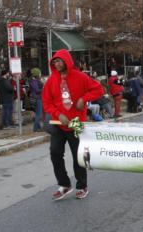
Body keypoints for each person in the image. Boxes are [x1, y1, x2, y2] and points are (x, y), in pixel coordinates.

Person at [42, 49, 104, 201]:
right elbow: (47, 102)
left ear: (66, 61)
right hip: (59, 123)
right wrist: (58, 114)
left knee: (78, 156)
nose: (56, 64)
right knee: (55, 153)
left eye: (59, 61)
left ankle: (82, 186)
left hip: (76, 123)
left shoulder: (80, 76)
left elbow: (99, 89)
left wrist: (85, 99)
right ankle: (64, 184)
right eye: (54, 62)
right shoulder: (51, 80)